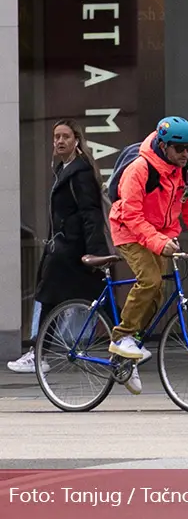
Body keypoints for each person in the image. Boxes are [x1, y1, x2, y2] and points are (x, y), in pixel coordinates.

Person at [107, 116, 188, 394]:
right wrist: (159, 242)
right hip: (129, 231)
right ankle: (121, 337)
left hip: (161, 234)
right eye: (179, 148)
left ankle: (129, 350)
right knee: (149, 280)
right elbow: (132, 216)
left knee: (158, 293)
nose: (185, 154)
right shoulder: (140, 169)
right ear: (163, 145)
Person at [7, 120, 111, 373]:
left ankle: (38, 353)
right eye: (56, 137)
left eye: (65, 136)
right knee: (93, 298)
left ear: (76, 140)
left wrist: (95, 253)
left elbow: (91, 213)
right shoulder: (67, 168)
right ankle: (126, 342)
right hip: (66, 246)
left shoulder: (80, 172)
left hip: (71, 249)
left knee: (49, 296)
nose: (59, 141)